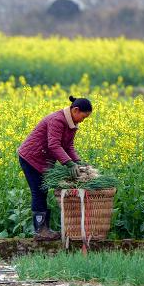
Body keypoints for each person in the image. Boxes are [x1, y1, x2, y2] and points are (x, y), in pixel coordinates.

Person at [16, 95, 93, 241]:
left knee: (42, 191)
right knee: (39, 191)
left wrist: (78, 162)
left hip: (43, 159)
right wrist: (69, 163)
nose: (83, 120)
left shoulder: (71, 124)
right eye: (83, 117)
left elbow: (68, 146)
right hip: (31, 158)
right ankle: (40, 231)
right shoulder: (57, 120)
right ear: (75, 110)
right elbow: (54, 145)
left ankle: (44, 229)